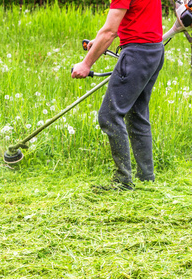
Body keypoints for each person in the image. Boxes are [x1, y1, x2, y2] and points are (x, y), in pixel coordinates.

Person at [71, 0, 164, 191]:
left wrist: (86, 64)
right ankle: (146, 178)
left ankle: (123, 181)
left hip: (137, 53)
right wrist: (99, 42)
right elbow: (129, 20)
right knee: (137, 115)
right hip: (153, 50)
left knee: (109, 116)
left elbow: (109, 32)